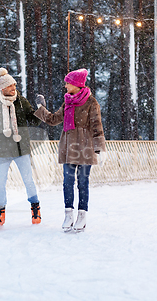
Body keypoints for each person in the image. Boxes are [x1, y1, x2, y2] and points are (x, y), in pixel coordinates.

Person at [33, 68, 107, 232]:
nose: (65, 86)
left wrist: (100, 148)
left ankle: (82, 215)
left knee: (82, 183)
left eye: (68, 83)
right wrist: (41, 107)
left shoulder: (91, 102)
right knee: (67, 183)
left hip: (85, 148)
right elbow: (53, 120)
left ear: (76, 84)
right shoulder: (67, 102)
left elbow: (96, 126)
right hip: (68, 148)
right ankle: (68, 214)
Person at [0, 68, 42, 228]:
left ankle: (35, 209)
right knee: (0, 182)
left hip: (21, 149)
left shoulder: (21, 101)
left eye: (14, 85)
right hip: (2, 150)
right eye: (10, 86)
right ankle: (0, 215)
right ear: (2, 88)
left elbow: (34, 121)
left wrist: (41, 109)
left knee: (28, 180)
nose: (14, 88)